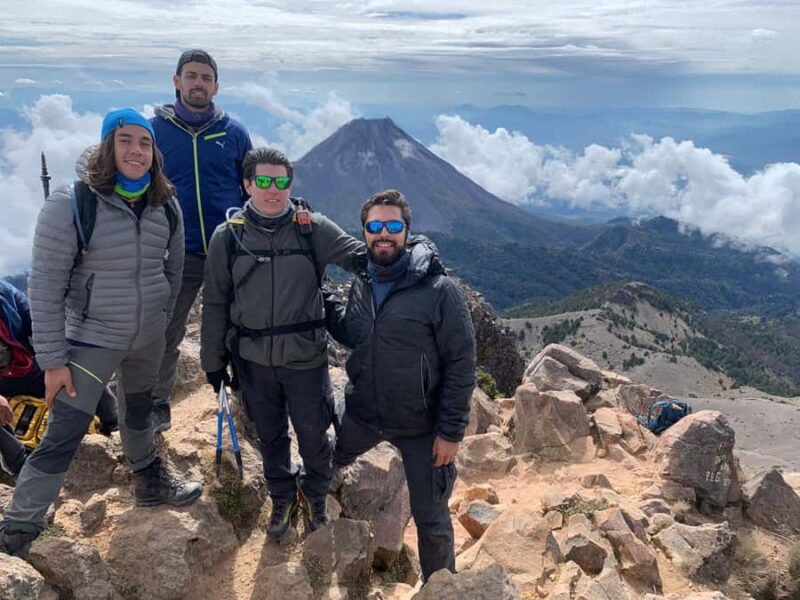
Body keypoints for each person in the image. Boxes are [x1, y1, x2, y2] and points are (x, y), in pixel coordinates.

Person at [0, 108, 203, 558]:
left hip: (147, 336)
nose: (136, 150)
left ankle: (148, 479)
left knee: (140, 410)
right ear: (107, 146)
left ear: (155, 153)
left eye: (145, 143)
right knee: (63, 434)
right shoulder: (73, 202)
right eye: (125, 140)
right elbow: (45, 286)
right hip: (90, 339)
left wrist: (160, 316)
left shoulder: (163, 202)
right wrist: (52, 361)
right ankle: (18, 528)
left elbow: (174, 267)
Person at [201, 147, 365, 541]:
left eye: (281, 181)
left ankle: (315, 494)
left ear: (290, 183)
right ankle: (281, 497)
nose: (273, 190)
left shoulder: (313, 228)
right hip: (252, 361)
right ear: (247, 184)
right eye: (263, 181)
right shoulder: (229, 236)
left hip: (305, 359)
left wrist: (407, 252)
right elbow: (216, 302)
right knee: (270, 435)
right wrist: (212, 362)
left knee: (313, 434)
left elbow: (363, 259)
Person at [323, 189, 476, 582]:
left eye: (393, 226)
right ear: (364, 232)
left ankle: (439, 588)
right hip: (365, 412)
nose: (384, 234)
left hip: (421, 426)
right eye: (375, 226)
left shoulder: (439, 290)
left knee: (431, 518)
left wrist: (450, 431)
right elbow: (354, 331)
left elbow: (462, 361)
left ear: (407, 231)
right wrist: (318, 291)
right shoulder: (361, 282)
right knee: (323, 459)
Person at [150, 49, 253, 432]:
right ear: (176, 81)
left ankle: (247, 393)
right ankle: (157, 402)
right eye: (191, 76)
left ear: (216, 86)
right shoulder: (154, 132)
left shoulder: (235, 132)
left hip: (231, 250)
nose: (198, 83)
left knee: (246, 325)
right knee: (166, 330)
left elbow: (249, 187)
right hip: (178, 253)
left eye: (206, 78)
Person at [0, 279, 118, 477]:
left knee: (79, 361)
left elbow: (39, 327)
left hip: (29, 369)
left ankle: (114, 425)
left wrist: (59, 359)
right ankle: (23, 469)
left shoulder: (4, 293)